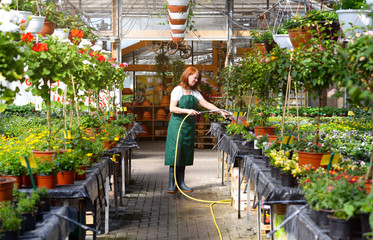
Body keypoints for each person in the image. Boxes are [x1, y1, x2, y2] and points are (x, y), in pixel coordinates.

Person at [165, 66, 229, 193]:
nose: (195, 81)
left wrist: (219, 110)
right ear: (187, 76)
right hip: (177, 126)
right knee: (175, 152)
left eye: (197, 79)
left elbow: (206, 104)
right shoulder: (178, 90)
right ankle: (172, 184)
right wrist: (187, 110)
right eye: (194, 78)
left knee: (184, 153)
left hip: (188, 127)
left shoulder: (195, 93)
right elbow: (172, 108)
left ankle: (181, 183)